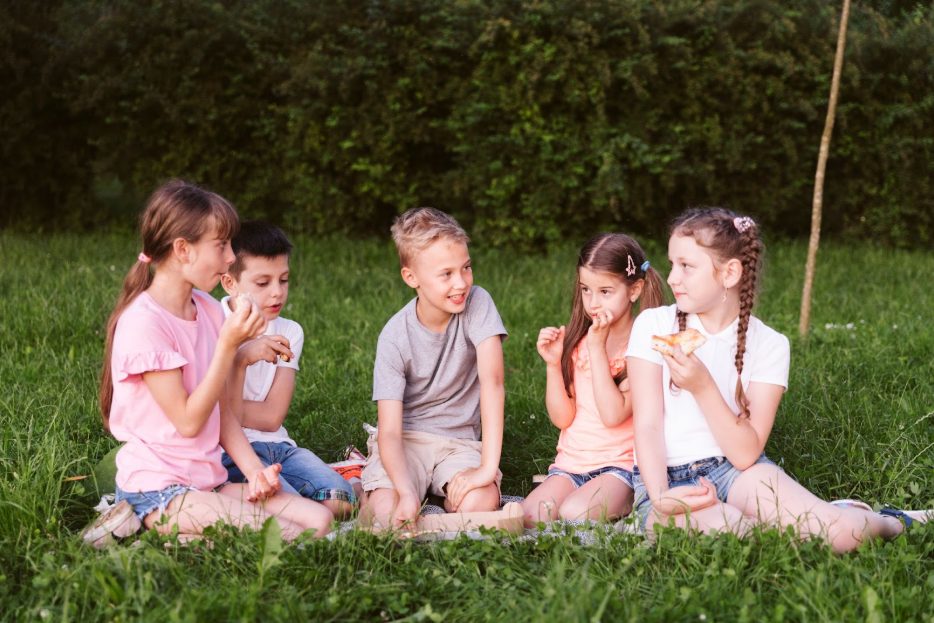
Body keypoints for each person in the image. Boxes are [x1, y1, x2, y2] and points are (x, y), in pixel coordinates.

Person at [626, 207, 923, 553]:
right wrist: (661, 496)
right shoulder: (653, 326)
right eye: (673, 264)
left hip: (735, 472)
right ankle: (769, 520)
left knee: (843, 536)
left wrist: (702, 386)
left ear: (730, 273)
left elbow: (745, 453)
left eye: (687, 266)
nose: (673, 278)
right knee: (731, 531)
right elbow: (646, 425)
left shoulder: (770, 345)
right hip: (662, 479)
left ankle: (890, 520)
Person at [94, 180, 332, 542]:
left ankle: (189, 537)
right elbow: (189, 422)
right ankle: (150, 525)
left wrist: (255, 472)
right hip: (159, 490)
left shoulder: (205, 308)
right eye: (221, 246)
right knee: (284, 534)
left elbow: (221, 413)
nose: (230, 258)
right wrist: (229, 347)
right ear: (183, 250)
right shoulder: (144, 322)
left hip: (210, 482)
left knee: (319, 521)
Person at [359, 207, 508, 530]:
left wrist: (486, 468)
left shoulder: (478, 303)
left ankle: (445, 495)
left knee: (480, 506)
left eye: (466, 268)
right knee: (387, 513)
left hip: (459, 443)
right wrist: (405, 491)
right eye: (446, 274)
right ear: (411, 277)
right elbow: (390, 431)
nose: (461, 283)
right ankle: (373, 490)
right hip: (406, 442)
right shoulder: (394, 336)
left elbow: (493, 384)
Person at [522, 234, 663, 527]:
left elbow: (613, 415)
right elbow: (563, 418)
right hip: (571, 464)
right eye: (586, 290)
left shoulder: (643, 345)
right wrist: (552, 365)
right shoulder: (579, 343)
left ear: (634, 290)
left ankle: (626, 500)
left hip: (620, 467)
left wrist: (597, 349)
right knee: (531, 515)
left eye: (605, 292)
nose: (593, 303)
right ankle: (578, 494)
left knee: (576, 513)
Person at [218, 220, 355, 519]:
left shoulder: (290, 331)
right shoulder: (212, 323)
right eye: (263, 283)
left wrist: (234, 410)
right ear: (230, 282)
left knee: (342, 502)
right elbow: (218, 417)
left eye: (284, 279)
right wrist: (240, 359)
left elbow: (271, 417)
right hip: (230, 451)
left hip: (280, 446)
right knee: (298, 511)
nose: (277, 293)